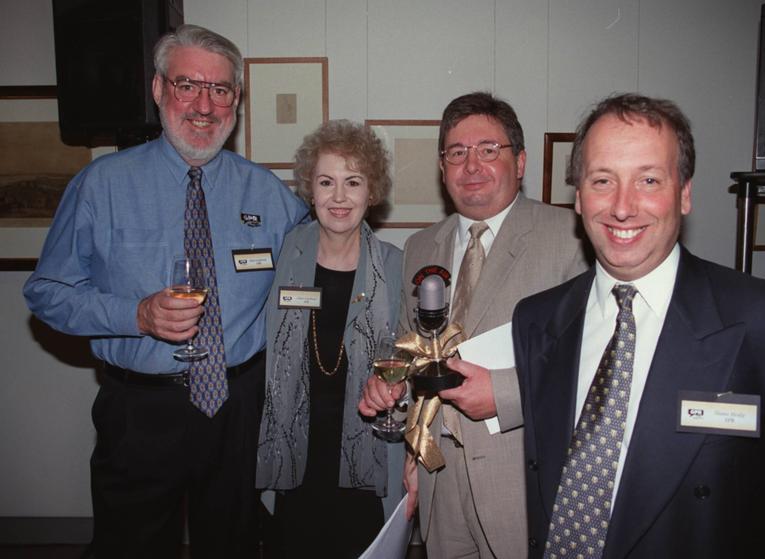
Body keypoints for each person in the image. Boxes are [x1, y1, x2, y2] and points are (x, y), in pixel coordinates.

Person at [23, 24, 309, 558]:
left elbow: (320, 271)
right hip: (139, 410)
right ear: (158, 90)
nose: (204, 105)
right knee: (129, 545)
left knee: (234, 544)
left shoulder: (270, 195)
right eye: (187, 85)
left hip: (238, 406)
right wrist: (135, 315)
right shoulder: (101, 185)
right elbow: (46, 291)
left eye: (219, 90)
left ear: (236, 101)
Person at [513, 93, 765, 558]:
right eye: (602, 180)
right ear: (578, 196)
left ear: (685, 193)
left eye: (648, 179)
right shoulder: (536, 321)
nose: (623, 207)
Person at [360, 92, 588, 558]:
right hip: (438, 477)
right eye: (456, 153)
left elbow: (592, 365)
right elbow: (413, 350)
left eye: (489, 150)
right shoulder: (421, 247)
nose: (472, 165)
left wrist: (504, 395)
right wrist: (394, 392)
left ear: (520, 162)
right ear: (442, 168)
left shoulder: (571, 239)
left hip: (523, 477)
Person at [255, 119, 404, 558]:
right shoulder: (281, 256)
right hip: (295, 448)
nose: (339, 197)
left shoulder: (396, 267)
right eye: (326, 182)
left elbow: (413, 362)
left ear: (371, 192)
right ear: (310, 190)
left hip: (365, 451)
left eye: (352, 182)